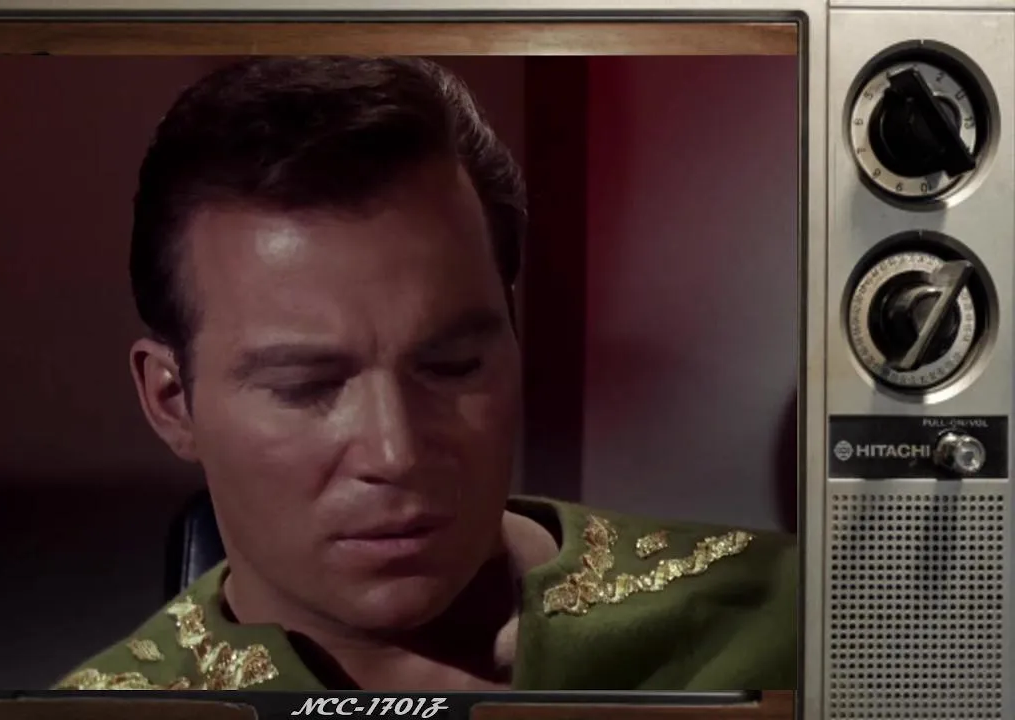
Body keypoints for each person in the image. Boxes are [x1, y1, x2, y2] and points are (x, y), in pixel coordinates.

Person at [55, 56, 796, 692]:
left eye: (451, 366)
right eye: (307, 386)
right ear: (172, 400)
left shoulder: (798, 625)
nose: (397, 451)